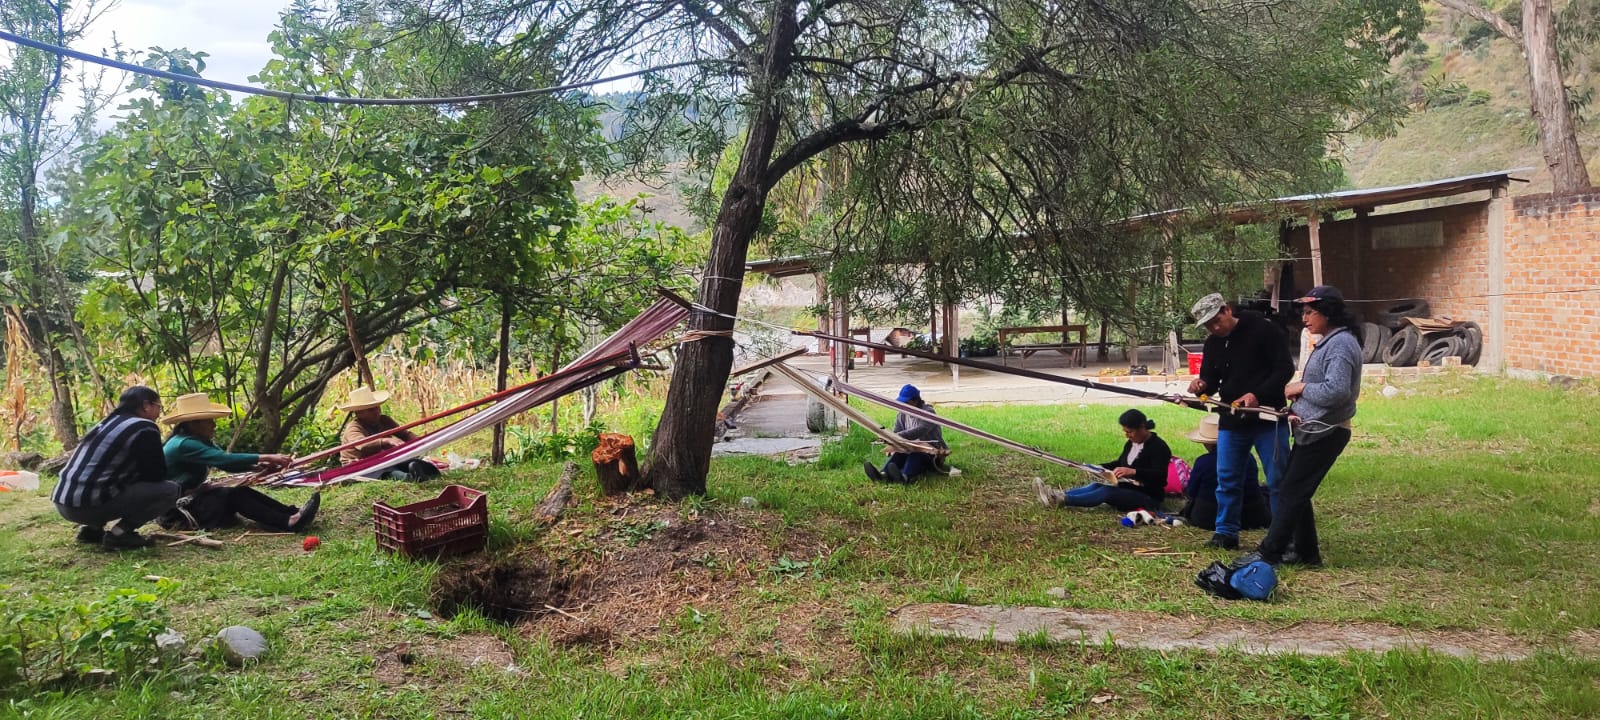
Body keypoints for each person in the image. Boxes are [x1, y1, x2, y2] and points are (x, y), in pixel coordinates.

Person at [1249, 286, 1363, 567]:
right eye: (1304, 311)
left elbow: (1337, 391)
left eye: (1310, 312)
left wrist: (1300, 387)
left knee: (1290, 491)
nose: (1304, 317)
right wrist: (1296, 409)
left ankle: (1269, 553)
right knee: (1296, 491)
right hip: (1314, 429)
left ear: (1328, 313)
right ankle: (1306, 553)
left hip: (1327, 432)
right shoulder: (1330, 341)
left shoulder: (1341, 344)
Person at [1187, 292, 1293, 550]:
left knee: (1278, 478)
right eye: (1208, 326)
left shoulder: (1263, 330)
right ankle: (1226, 532)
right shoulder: (1213, 343)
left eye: (1216, 321)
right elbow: (1210, 382)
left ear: (1227, 310)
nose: (1214, 328)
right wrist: (1201, 386)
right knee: (1227, 478)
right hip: (1232, 419)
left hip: (1267, 416)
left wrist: (1258, 394)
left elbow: (1284, 369)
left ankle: (1284, 536)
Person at [157, 393, 319, 533]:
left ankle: (292, 513)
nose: (214, 425)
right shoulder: (184, 444)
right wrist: (266, 457)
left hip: (192, 502)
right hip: (178, 512)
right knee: (234, 495)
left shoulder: (196, 440)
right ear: (194, 424)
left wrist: (256, 467)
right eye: (209, 421)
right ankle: (287, 522)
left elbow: (225, 463)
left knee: (240, 490)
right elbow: (223, 459)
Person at [51, 386, 179, 550]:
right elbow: (156, 474)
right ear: (146, 405)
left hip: (63, 503)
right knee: (170, 490)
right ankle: (120, 534)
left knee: (109, 480)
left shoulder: (105, 424)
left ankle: (92, 530)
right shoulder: (144, 426)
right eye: (158, 406)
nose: (158, 412)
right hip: (88, 507)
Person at [1034, 409, 1172, 512]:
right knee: (1096, 486)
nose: (1127, 435)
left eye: (1130, 432)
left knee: (1107, 492)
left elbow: (1160, 477)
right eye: (1125, 432)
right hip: (1128, 488)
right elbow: (1120, 463)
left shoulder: (1159, 447)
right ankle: (1059, 494)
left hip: (1149, 497)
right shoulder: (1131, 443)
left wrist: (1134, 472)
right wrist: (1097, 467)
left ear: (1142, 427)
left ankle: (1062, 500)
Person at [1177, 414, 1271, 531]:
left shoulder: (1203, 462)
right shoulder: (1248, 457)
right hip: (1253, 516)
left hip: (1208, 518)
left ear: (1207, 443)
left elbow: (1191, 491)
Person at [337, 386, 439, 481]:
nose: (377, 411)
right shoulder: (354, 427)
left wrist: (422, 441)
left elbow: (405, 434)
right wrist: (386, 441)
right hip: (361, 465)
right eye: (371, 409)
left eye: (377, 407)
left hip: (385, 459)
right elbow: (362, 445)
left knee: (426, 467)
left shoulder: (385, 420)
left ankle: (420, 471)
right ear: (359, 413)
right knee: (389, 472)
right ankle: (410, 477)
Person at [863, 384, 947, 484]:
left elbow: (919, 430)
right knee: (899, 453)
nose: (903, 406)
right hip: (908, 450)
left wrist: (895, 436)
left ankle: (905, 476)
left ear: (915, 401)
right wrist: (888, 437)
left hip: (932, 455)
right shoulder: (902, 414)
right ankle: (883, 475)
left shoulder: (928, 413)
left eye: (906, 402)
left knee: (916, 455)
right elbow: (896, 432)